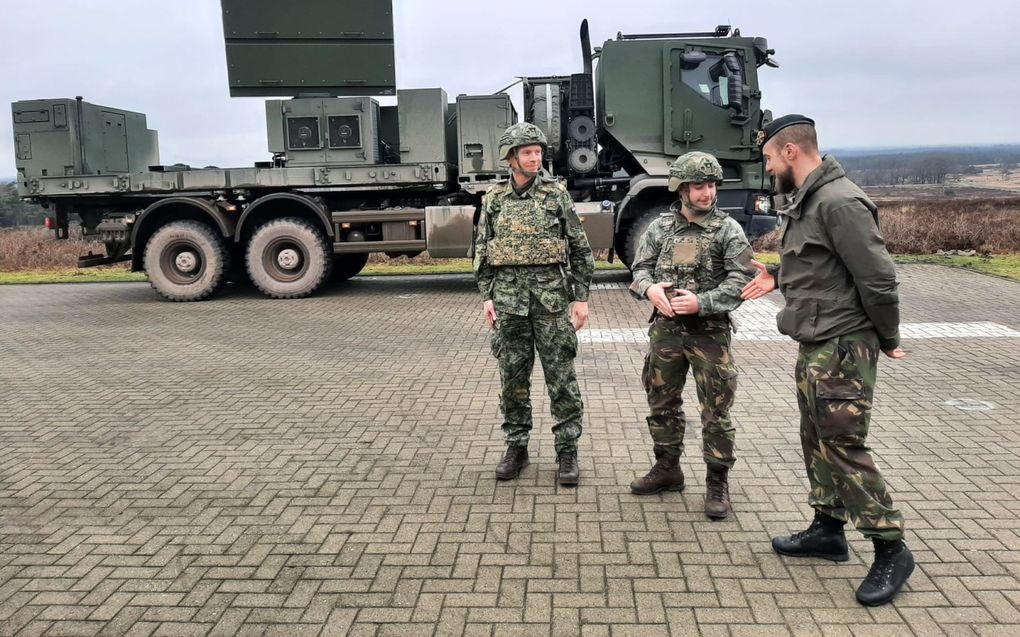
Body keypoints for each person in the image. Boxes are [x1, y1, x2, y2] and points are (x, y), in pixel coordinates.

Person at [741, 114, 913, 606]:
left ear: (791, 152)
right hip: (817, 341)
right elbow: (818, 264)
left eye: (771, 157)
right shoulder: (810, 200)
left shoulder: (840, 203)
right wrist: (779, 275)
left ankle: (890, 547)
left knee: (842, 443)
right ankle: (827, 529)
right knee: (816, 436)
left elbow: (878, 278)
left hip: (842, 343)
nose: (769, 166)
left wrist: (889, 336)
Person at [628, 151, 754, 519]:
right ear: (681, 189)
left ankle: (718, 482)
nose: (707, 193)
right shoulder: (660, 228)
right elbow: (640, 269)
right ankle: (668, 468)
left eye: (712, 185)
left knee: (716, 410)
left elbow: (742, 279)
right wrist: (649, 290)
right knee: (661, 403)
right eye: (699, 186)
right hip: (666, 333)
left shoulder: (728, 230)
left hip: (709, 335)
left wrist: (703, 302)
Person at [473, 122, 595, 486]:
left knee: (562, 379)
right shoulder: (494, 199)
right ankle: (516, 446)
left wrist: (581, 297)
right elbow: (482, 249)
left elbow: (580, 248)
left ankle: (567, 451)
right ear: (511, 158)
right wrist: (487, 296)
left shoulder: (556, 195)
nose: (535, 157)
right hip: (509, 303)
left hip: (552, 303)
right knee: (512, 379)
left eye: (538, 151)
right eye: (527, 152)